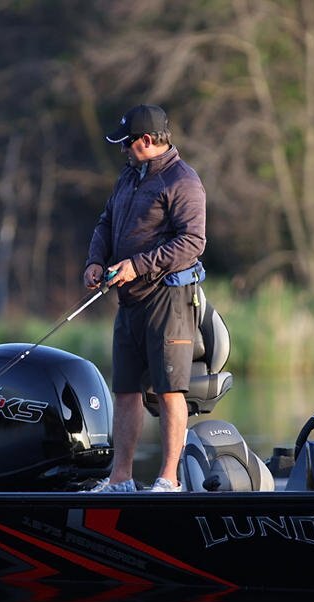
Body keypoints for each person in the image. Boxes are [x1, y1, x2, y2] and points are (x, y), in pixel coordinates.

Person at [83, 104, 207, 493]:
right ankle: (121, 479)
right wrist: (95, 260)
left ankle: (168, 479)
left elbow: (192, 242)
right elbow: (106, 222)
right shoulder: (128, 178)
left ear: (148, 141)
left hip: (169, 301)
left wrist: (138, 265)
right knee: (124, 391)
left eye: (127, 143)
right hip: (130, 303)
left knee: (170, 390)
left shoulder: (182, 181)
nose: (123, 150)